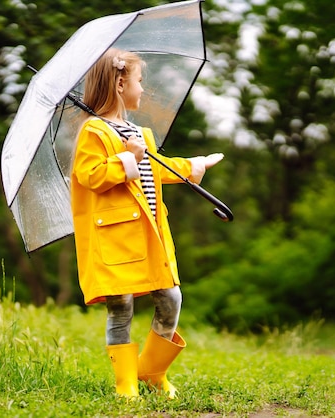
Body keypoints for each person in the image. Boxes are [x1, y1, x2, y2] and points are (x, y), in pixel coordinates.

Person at [70, 48, 223, 399]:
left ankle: (152, 372)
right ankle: (126, 382)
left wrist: (194, 166)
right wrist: (127, 158)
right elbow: (89, 175)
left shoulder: (139, 132)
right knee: (120, 306)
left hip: (149, 236)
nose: (143, 88)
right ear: (121, 82)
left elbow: (155, 168)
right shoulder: (94, 131)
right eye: (140, 81)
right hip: (116, 239)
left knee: (171, 296)